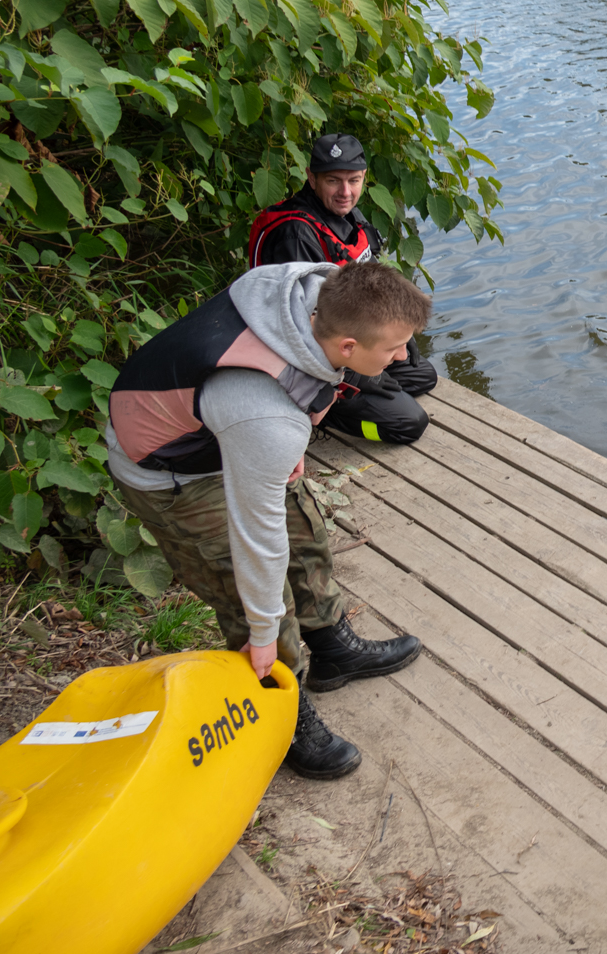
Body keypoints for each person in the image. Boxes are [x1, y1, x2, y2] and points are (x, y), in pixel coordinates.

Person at [106, 261, 433, 780]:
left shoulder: (309, 290)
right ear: (347, 345)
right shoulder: (264, 418)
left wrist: (294, 430)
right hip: (172, 470)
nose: (404, 356)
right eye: (394, 347)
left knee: (305, 530)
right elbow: (254, 539)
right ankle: (281, 709)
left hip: (228, 425)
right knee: (251, 590)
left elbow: (314, 384)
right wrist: (262, 628)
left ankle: (332, 647)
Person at [247, 132, 437, 445]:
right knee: (408, 424)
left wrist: (399, 328)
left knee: (422, 375)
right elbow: (302, 328)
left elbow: (372, 284)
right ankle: (323, 415)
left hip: (352, 338)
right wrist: (357, 377)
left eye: (354, 180)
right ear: (311, 178)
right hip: (309, 359)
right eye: (333, 180)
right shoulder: (295, 234)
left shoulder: (349, 217)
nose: (345, 192)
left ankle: (365, 389)